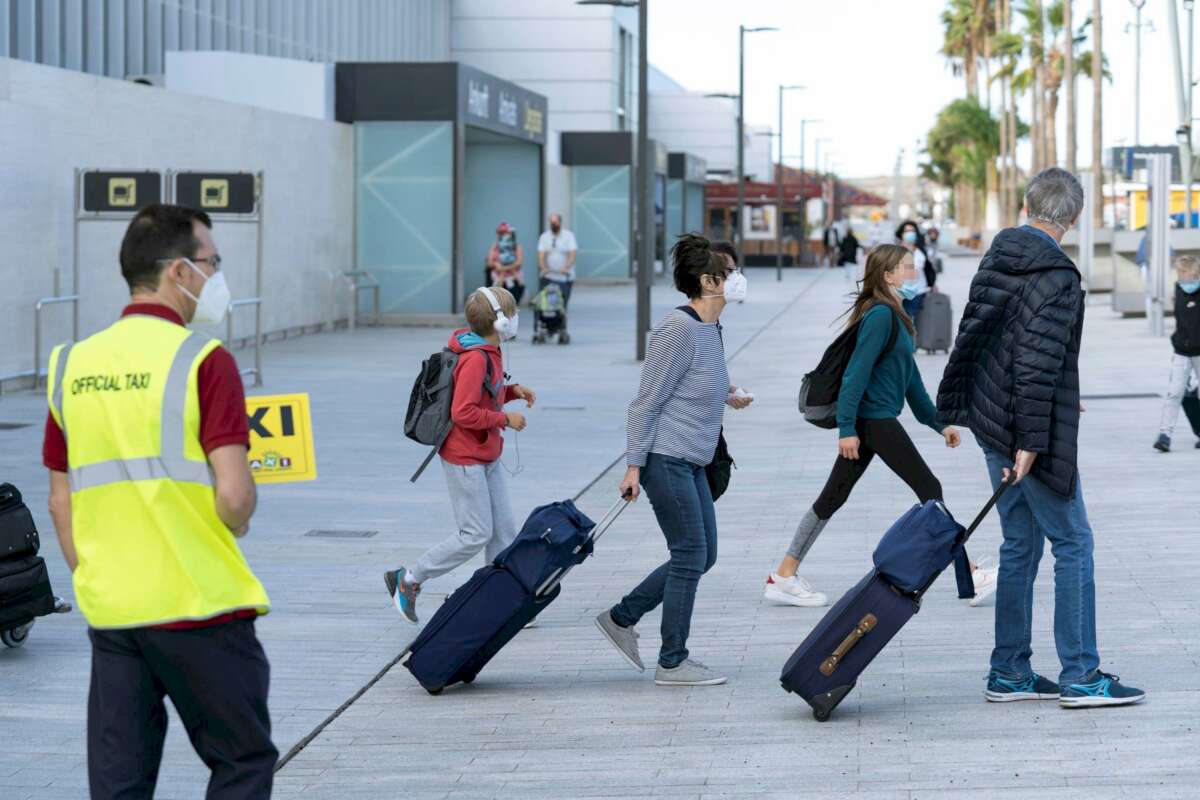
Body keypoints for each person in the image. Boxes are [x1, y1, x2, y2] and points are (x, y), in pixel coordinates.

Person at [43, 204, 277, 798]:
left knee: (120, 785)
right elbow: (232, 495)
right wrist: (240, 511)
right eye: (210, 262)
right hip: (200, 604)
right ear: (178, 272)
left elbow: (59, 501)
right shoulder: (203, 360)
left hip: (117, 614)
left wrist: (97, 576)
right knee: (241, 761)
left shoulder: (71, 365)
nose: (215, 276)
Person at [937, 167, 1145, 707]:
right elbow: (1033, 361)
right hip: (1029, 430)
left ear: (1028, 207)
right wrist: (1030, 441)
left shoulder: (997, 255)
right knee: (1074, 541)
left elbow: (977, 336)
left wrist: (969, 412)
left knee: (1020, 544)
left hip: (991, 421)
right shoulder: (1057, 275)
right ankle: (1081, 674)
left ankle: (1009, 672)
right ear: (1072, 219)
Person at [763, 244, 995, 607]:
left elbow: (912, 382)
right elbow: (855, 374)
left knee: (832, 496)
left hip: (874, 420)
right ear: (888, 275)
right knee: (929, 488)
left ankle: (784, 574)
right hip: (873, 421)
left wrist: (940, 424)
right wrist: (846, 429)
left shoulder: (898, 314)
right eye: (906, 266)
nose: (913, 271)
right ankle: (970, 574)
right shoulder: (880, 316)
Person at [594, 234, 753, 687]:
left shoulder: (711, 327)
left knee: (705, 554)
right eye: (729, 273)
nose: (737, 279)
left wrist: (730, 393)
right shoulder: (676, 329)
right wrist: (633, 466)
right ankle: (673, 662)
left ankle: (622, 618)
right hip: (666, 458)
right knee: (689, 555)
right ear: (707, 281)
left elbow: (701, 377)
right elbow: (646, 402)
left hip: (694, 459)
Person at [385, 286, 537, 624]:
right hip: (465, 457)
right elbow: (464, 411)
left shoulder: (486, 350)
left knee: (503, 532)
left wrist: (510, 392)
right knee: (476, 533)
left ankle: (500, 602)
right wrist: (504, 419)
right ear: (500, 324)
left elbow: (485, 393)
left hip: (486, 452)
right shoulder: (475, 358)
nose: (515, 320)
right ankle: (409, 579)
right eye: (511, 314)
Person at [1153, 254, 1200, 452]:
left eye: (1183, 273)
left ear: (1194, 273)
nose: (1180, 277)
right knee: (1174, 392)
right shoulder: (1179, 289)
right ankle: (1165, 435)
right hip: (1182, 350)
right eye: (1179, 272)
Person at [536, 213, 578, 343]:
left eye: (556, 223)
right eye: (552, 223)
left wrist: (567, 267)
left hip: (564, 277)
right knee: (545, 303)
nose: (554, 225)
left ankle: (561, 328)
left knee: (561, 304)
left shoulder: (568, 236)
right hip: (548, 276)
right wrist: (543, 267)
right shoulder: (545, 237)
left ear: (560, 222)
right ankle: (544, 327)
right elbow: (541, 255)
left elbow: (572, 254)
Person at [895, 220, 935, 320]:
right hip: (899, 293)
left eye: (912, 230)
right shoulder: (894, 251)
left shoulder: (920, 250)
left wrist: (932, 284)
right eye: (907, 231)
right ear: (901, 234)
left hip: (918, 292)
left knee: (910, 321)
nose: (910, 233)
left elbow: (924, 269)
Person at [487, 222, 525, 305]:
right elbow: (489, 263)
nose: (503, 235)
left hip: (513, 278)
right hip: (498, 278)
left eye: (505, 233)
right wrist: (496, 265)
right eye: (501, 233)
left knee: (512, 302)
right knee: (498, 303)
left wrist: (503, 268)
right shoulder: (495, 246)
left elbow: (519, 262)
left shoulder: (516, 246)